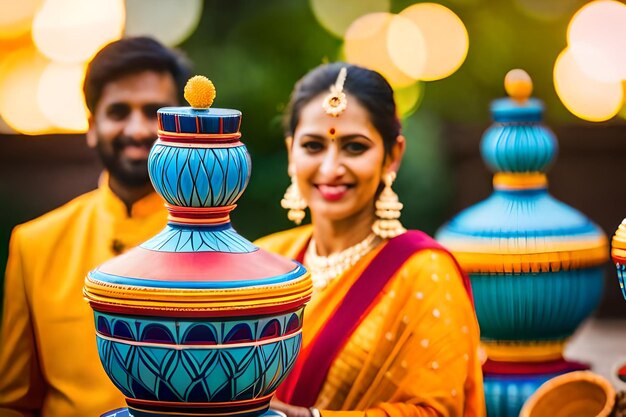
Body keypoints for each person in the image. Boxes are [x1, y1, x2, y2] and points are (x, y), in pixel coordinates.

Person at [255, 63, 485, 417]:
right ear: (291, 152)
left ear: (392, 156)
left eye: (354, 148)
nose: (331, 168)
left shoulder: (424, 273)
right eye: (313, 146)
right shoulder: (266, 259)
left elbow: (437, 411)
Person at [0, 37, 191, 417]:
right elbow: (14, 402)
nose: (137, 131)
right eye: (119, 111)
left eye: (153, 112)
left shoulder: (221, 250)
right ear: (92, 126)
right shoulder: (35, 244)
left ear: (180, 127)